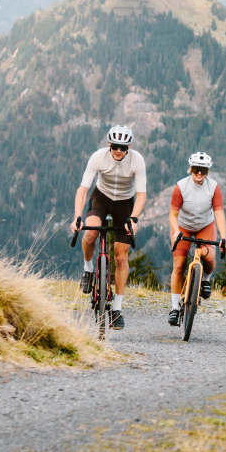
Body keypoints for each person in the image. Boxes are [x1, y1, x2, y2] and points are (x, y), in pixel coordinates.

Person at [71, 126, 147, 331]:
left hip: (125, 203)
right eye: (115, 146)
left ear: (129, 147)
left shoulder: (137, 160)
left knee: (121, 257)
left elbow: (141, 195)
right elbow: (83, 189)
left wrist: (134, 219)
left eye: (123, 147)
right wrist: (78, 216)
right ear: (108, 144)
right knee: (90, 234)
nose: (118, 150)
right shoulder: (98, 157)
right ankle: (88, 270)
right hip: (101, 198)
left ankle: (117, 309)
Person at [167, 151, 226, 328]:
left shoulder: (214, 187)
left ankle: (205, 279)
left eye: (203, 170)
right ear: (190, 169)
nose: (199, 173)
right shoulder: (181, 187)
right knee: (179, 266)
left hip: (204, 226)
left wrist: (224, 237)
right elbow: (172, 214)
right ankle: (174, 308)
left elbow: (219, 214)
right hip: (182, 226)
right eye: (196, 169)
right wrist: (176, 231)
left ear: (207, 171)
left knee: (209, 257)